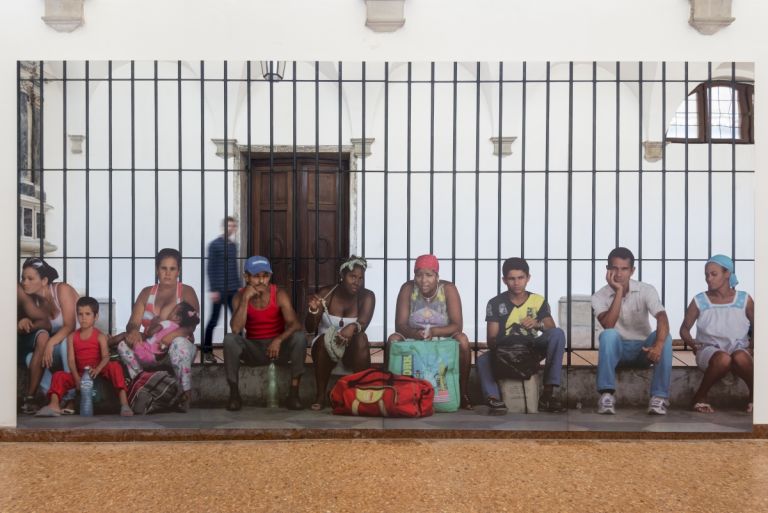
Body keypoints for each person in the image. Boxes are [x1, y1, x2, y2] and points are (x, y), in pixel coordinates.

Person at [479, 258, 566, 414]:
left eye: (521, 278)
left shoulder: (538, 301)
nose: (516, 283)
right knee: (483, 360)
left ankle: (548, 394)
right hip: (506, 351)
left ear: (528, 278)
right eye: (511, 278)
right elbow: (491, 340)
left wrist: (537, 324)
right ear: (504, 280)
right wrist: (509, 340)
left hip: (531, 349)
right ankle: (494, 399)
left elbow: (551, 328)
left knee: (558, 334)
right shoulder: (495, 303)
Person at [592, 247, 673, 415]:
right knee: (608, 334)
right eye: (614, 268)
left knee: (666, 337)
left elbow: (662, 317)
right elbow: (608, 325)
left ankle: (658, 398)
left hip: (643, 350)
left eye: (624, 269)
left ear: (632, 270)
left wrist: (657, 345)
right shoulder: (598, 296)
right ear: (608, 269)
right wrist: (619, 292)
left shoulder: (646, 290)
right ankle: (606, 396)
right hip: (617, 351)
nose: (619, 273)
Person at [387, 254, 473, 410]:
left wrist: (434, 331)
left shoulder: (448, 289)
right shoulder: (407, 288)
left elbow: (457, 325)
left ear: (437, 276)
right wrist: (416, 333)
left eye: (429, 275)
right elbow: (400, 325)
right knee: (393, 339)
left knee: (463, 340)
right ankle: (392, 391)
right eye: (419, 275)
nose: (423, 280)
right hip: (414, 337)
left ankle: (463, 393)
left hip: (442, 337)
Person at [119, 248, 200, 411]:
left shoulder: (186, 291)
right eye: (164, 268)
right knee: (123, 345)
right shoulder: (146, 293)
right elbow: (132, 323)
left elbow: (192, 323)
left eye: (172, 269)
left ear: (179, 271)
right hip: (151, 350)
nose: (168, 273)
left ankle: (185, 395)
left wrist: (172, 336)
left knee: (178, 344)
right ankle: (143, 384)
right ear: (157, 270)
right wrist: (134, 331)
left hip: (178, 349)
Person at [223, 256, 306, 411]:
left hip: (278, 349)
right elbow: (235, 329)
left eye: (265, 276)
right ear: (246, 277)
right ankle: (234, 395)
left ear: (270, 276)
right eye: (256, 276)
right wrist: (245, 300)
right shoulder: (239, 296)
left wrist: (279, 340)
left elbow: (296, 324)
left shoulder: (279, 294)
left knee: (300, 338)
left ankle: (294, 394)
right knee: (229, 340)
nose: (261, 281)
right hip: (254, 349)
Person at [35, 297, 133, 417]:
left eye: (88, 314)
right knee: (58, 376)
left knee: (115, 367)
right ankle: (54, 405)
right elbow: (71, 360)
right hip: (82, 374)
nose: (83, 318)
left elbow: (106, 357)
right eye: (80, 314)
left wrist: (97, 370)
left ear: (95, 317)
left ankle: (124, 404)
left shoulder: (100, 336)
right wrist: (76, 378)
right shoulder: (72, 337)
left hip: (99, 371)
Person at [680, 255, 754, 414]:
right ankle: (700, 396)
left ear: (727, 274)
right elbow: (684, 329)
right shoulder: (700, 300)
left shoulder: (744, 299)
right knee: (723, 358)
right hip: (709, 351)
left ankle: (755, 397)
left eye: (714, 274)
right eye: (706, 275)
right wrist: (693, 345)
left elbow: (759, 327)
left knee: (740, 356)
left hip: (739, 349)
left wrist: (752, 348)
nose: (708, 279)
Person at [306, 256, 375, 411]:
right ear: (342, 276)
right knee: (323, 340)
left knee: (362, 338)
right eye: (352, 277)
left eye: (360, 278)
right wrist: (313, 311)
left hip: (351, 350)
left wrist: (352, 327)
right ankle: (320, 396)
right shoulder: (326, 293)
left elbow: (363, 323)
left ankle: (362, 393)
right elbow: (310, 328)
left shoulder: (367, 296)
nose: (356, 281)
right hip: (325, 350)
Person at [18, 257, 79, 414]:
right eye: (23, 278)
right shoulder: (34, 303)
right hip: (59, 347)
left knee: (66, 342)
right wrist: (24, 320)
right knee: (30, 358)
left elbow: (70, 326)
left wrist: (51, 342)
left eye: (30, 278)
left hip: (78, 344)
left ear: (44, 280)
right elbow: (40, 325)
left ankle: (71, 397)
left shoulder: (61, 290)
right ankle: (55, 395)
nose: (25, 282)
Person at [113, 301, 199, 373]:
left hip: (146, 352)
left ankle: (137, 371)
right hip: (157, 358)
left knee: (123, 343)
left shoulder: (167, 323)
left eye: (172, 311)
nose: (170, 313)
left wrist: (155, 324)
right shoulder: (180, 332)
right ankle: (140, 371)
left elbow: (150, 333)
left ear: (177, 318)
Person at [203, 216, 241, 363]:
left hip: (233, 289)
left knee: (238, 320)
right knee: (213, 321)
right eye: (228, 226)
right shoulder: (214, 245)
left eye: (233, 226)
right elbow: (210, 268)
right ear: (223, 227)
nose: (231, 229)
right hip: (219, 290)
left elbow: (234, 268)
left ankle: (242, 351)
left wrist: (238, 286)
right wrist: (213, 289)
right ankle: (207, 351)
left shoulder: (233, 246)